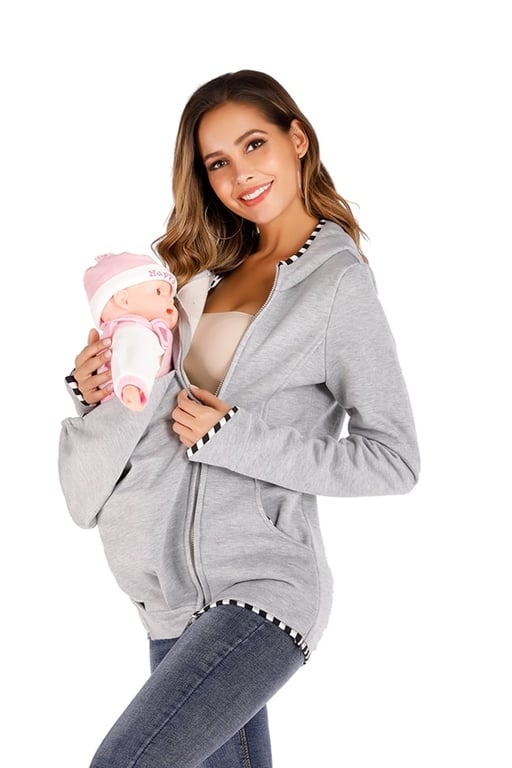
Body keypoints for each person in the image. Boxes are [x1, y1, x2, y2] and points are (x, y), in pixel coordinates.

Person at [58, 69, 420, 768]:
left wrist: (236, 437)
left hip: (263, 592)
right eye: (217, 162)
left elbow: (395, 459)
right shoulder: (195, 278)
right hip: (169, 601)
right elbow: (155, 428)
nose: (240, 175)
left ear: (297, 139)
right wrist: (94, 391)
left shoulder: (337, 286)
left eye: (255, 145)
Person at [80, 251, 178, 411]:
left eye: (171, 298)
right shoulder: (134, 330)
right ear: (123, 299)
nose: (170, 301)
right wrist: (132, 385)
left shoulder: (134, 330)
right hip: (133, 402)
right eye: (159, 292)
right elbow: (133, 357)